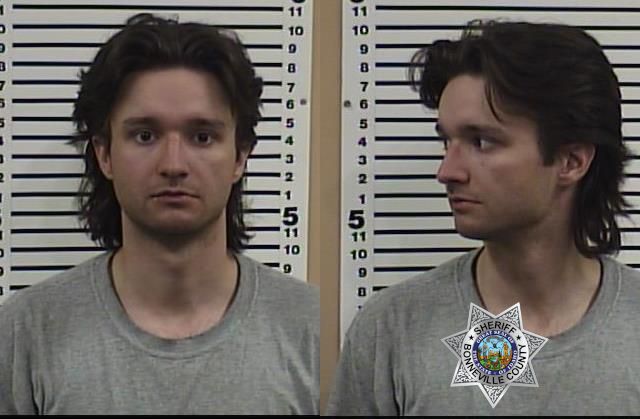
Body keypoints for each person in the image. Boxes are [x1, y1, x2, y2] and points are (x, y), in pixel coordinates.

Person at [0, 13, 318, 415]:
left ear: (240, 156)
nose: (173, 164)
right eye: (145, 135)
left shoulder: (311, 328)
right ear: (104, 154)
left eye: (202, 136)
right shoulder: (24, 333)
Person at [327, 20, 640, 415]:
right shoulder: (391, 328)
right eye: (446, 141)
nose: (447, 171)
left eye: (481, 141)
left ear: (571, 161)